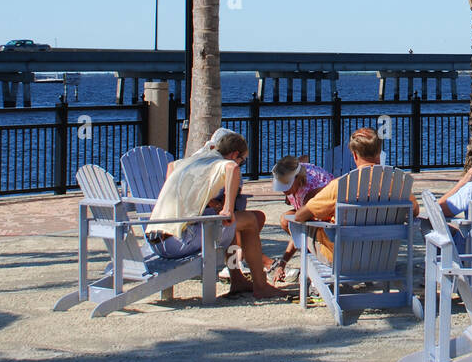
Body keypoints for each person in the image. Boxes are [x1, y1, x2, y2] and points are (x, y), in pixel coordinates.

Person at [145, 131, 285, 299]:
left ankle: (238, 279)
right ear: (234, 154)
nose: (241, 165)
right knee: (249, 220)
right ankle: (261, 286)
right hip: (177, 242)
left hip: (157, 240)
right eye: (242, 160)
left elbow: (171, 167)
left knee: (232, 224)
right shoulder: (220, 163)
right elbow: (231, 167)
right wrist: (227, 209)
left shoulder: (198, 160)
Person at [285, 128, 416, 265]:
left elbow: (300, 216)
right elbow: (415, 210)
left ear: (354, 155)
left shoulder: (340, 186)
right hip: (381, 258)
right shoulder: (397, 184)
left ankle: (309, 280)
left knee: (304, 228)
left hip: (341, 259)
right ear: (379, 152)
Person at [269, 155, 334, 284]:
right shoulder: (299, 172)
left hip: (328, 226)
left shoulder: (310, 193)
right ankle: (310, 257)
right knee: (287, 220)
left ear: (297, 179)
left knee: (289, 221)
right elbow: (303, 159)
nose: (284, 191)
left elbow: (300, 228)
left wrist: (283, 261)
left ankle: (313, 262)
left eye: (286, 186)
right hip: (317, 216)